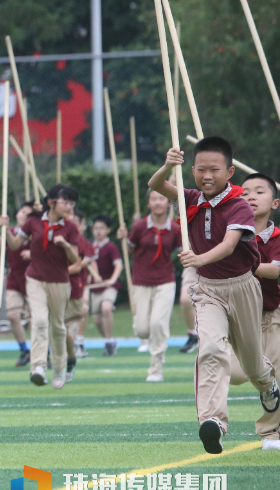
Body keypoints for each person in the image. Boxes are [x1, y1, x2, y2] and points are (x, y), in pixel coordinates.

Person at [148, 137, 279, 454]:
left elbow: (230, 245)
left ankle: (269, 386)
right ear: (191, 169)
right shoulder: (187, 197)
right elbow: (155, 183)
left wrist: (198, 259)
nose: (207, 175)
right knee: (209, 349)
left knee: (251, 365)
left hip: (243, 287)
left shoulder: (238, 204)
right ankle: (213, 422)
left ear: (230, 171)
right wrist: (169, 163)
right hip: (207, 290)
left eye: (214, 170)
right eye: (200, 169)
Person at [0, 183, 81, 389]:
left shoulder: (70, 227)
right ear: (51, 202)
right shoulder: (33, 222)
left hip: (60, 281)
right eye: (65, 201)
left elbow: (75, 259)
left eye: (72, 203)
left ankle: (60, 367)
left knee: (57, 326)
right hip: (35, 278)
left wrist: (65, 246)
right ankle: (37, 367)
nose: (69, 206)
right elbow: (16, 245)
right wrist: (5, 229)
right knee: (40, 320)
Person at [230, 173, 280, 450]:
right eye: (245, 191)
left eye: (259, 191)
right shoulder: (231, 233)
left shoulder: (278, 237)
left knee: (276, 376)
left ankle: (271, 432)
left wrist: (245, 262)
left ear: (275, 203)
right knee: (237, 375)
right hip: (238, 316)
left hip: (272, 316)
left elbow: (274, 270)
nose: (250, 196)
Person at [125, 190, 181, 382]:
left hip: (165, 280)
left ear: (167, 203)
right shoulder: (140, 227)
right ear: (148, 203)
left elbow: (182, 251)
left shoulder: (174, 228)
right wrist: (124, 238)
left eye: (161, 198)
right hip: (141, 280)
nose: (158, 202)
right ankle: (153, 327)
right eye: (154, 199)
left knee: (158, 323)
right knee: (142, 330)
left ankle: (156, 369)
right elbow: (129, 249)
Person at [0, 202, 35, 368]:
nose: (24, 216)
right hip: (14, 280)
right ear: (17, 214)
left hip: (33, 280)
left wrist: (32, 252)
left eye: (29, 215)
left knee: (35, 321)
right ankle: (24, 350)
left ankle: (44, 352)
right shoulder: (13, 231)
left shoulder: (36, 232)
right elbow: (5, 247)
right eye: (23, 212)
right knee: (13, 315)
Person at [63, 208, 95, 381]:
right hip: (55, 287)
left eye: (75, 219)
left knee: (68, 327)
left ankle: (72, 353)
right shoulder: (56, 236)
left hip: (76, 287)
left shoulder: (83, 243)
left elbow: (79, 265)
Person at [87, 215, 122, 356]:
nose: (98, 231)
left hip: (109, 286)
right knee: (97, 319)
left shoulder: (110, 247)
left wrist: (112, 280)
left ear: (108, 230)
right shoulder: (89, 247)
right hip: (95, 287)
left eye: (101, 228)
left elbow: (118, 265)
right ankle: (110, 341)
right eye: (96, 228)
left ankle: (108, 342)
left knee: (106, 308)